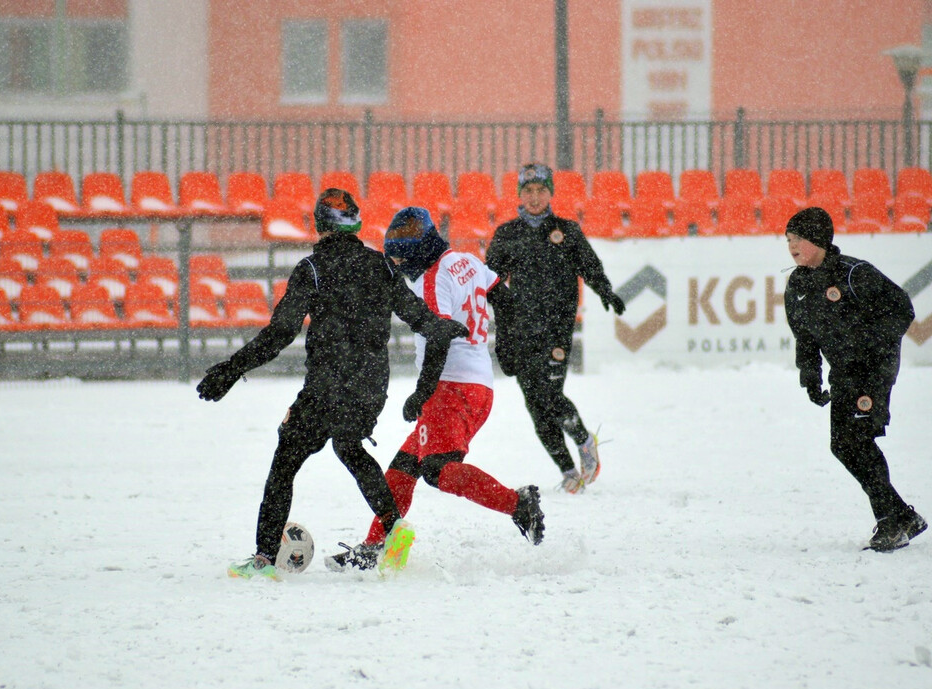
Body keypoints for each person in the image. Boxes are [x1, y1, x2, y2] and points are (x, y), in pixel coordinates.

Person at [197, 189, 468, 579]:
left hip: (327, 384)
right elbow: (420, 318)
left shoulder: (312, 269)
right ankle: (394, 528)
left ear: (318, 225)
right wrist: (440, 327)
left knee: (285, 462)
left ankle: (262, 560)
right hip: (371, 387)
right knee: (349, 447)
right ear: (356, 223)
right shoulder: (383, 266)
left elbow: (280, 333)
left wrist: (231, 368)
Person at [325, 207, 545, 571]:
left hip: (450, 386)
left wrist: (421, 392)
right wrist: (506, 343)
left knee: (437, 470)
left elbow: (440, 339)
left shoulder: (432, 279)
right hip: (479, 387)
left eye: (401, 257)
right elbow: (505, 299)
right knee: (404, 466)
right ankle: (375, 545)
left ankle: (516, 503)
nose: (399, 265)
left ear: (418, 250)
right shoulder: (466, 260)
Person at [783, 206, 927, 552]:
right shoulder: (798, 284)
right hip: (844, 372)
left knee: (857, 441)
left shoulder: (853, 273)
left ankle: (890, 523)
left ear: (818, 239)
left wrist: (868, 344)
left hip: (873, 369)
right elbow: (804, 336)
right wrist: (811, 377)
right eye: (787, 239)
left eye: (797, 238)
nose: (791, 246)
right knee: (843, 445)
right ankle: (901, 516)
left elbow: (901, 310)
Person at [485, 163, 626, 493]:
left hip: (557, 329)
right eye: (528, 192)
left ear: (551, 193)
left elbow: (589, 267)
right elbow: (488, 281)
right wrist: (496, 314)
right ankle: (567, 471)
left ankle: (583, 440)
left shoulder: (567, 231)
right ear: (519, 195)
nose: (534, 198)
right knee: (534, 405)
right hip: (521, 330)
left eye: (541, 191)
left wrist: (606, 291)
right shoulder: (507, 234)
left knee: (548, 395)